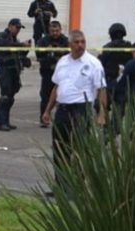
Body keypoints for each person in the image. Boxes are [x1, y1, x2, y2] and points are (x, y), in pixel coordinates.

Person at [41, 30, 107, 185]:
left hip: (82, 109)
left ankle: (78, 186)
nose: (80, 45)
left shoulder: (93, 63)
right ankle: (61, 186)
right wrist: (47, 110)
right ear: (69, 44)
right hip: (63, 109)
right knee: (60, 148)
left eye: (83, 42)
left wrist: (102, 114)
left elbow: (102, 89)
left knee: (80, 149)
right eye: (76, 42)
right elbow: (56, 87)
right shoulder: (63, 62)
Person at [0, 18, 31, 131]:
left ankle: (6, 121)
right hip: (5, 70)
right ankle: (1, 123)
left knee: (10, 97)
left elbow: (19, 54)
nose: (18, 30)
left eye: (19, 28)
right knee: (5, 97)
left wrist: (26, 49)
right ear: (10, 26)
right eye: (16, 27)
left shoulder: (14, 39)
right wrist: (21, 45)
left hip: (14, 71)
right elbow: (6, 46)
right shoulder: (1, 37)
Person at [99, 23, 133, 132]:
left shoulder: (107, 48)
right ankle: (113, 130)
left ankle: (106, 129)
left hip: (109, 82)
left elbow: (101, 64)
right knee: (119, 110)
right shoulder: (129, 47)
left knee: (101, 106)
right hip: (123, 83)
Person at [35, 21, 69, 128]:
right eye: (52, 31)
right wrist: (47, 51)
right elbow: (38, 54)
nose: (55, 33)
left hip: (62, 73)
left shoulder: (65, 40)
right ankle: (44, 118)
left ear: (60, 30)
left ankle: (62, 119)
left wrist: (61, 51)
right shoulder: (44, 41)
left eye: (57, 31)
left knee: (62, 96)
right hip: (47, 72)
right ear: (49, 31)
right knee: (45, 96)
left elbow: (71, 54)